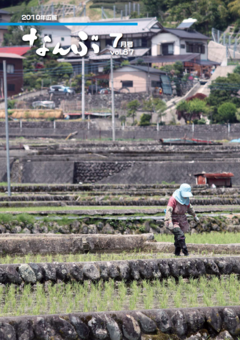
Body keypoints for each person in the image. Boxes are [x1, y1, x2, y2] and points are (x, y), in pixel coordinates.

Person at [164, 183, 199, 256]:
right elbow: (168, 211)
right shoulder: (173, 199)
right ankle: (185, 252)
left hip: (182, 220)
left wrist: (194, 216)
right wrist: (170, 222)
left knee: (178, 238)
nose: (186, 196)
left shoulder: (186, 200)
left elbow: (190, 208)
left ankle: (177, 253)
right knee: (180, 235)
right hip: (173, 220)